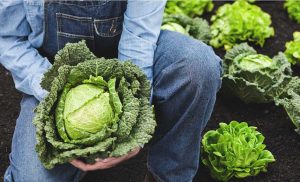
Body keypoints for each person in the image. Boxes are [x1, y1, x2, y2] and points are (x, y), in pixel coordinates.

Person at [0, 0, 222, 181]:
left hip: (126, 60)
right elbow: (7, 38)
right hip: (52, 75)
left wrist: (133, 126)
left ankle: (165, 175)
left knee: (197, 65)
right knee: (32, 178)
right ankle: (75, 161)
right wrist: (56, 92)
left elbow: (139, 40)